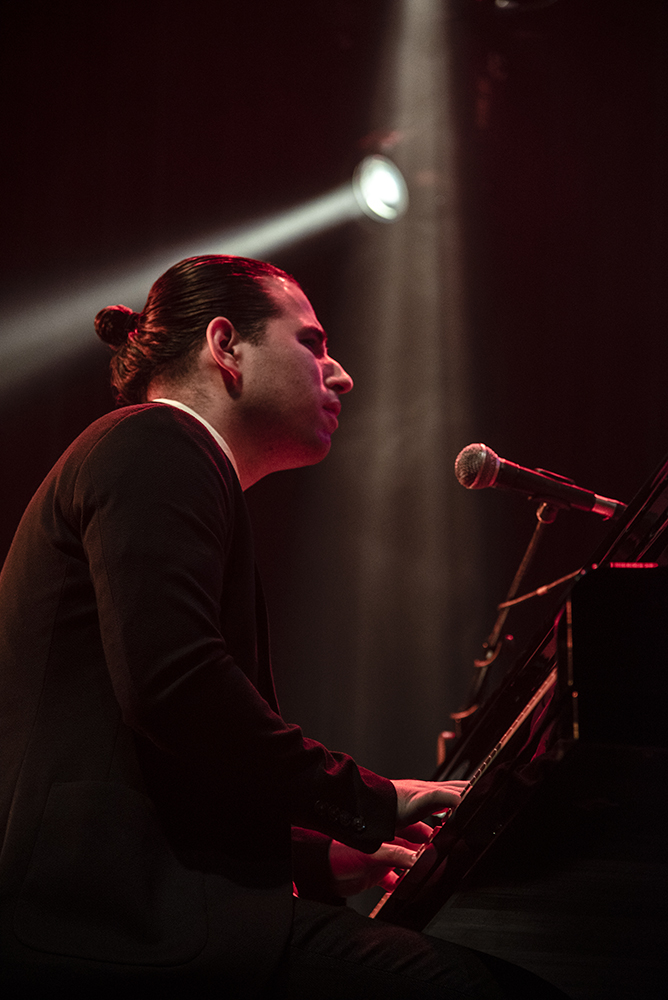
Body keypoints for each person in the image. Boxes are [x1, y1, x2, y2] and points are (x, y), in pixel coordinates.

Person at [0, 255, 569, 998]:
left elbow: (153, 753)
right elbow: (175, 688)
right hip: (117, 927)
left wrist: (315, 855)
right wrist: (370, 800)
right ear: (225, 345)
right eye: (312, 343)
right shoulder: (157, 442)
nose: (342, 375)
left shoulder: (158, 455)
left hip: (122, 909)